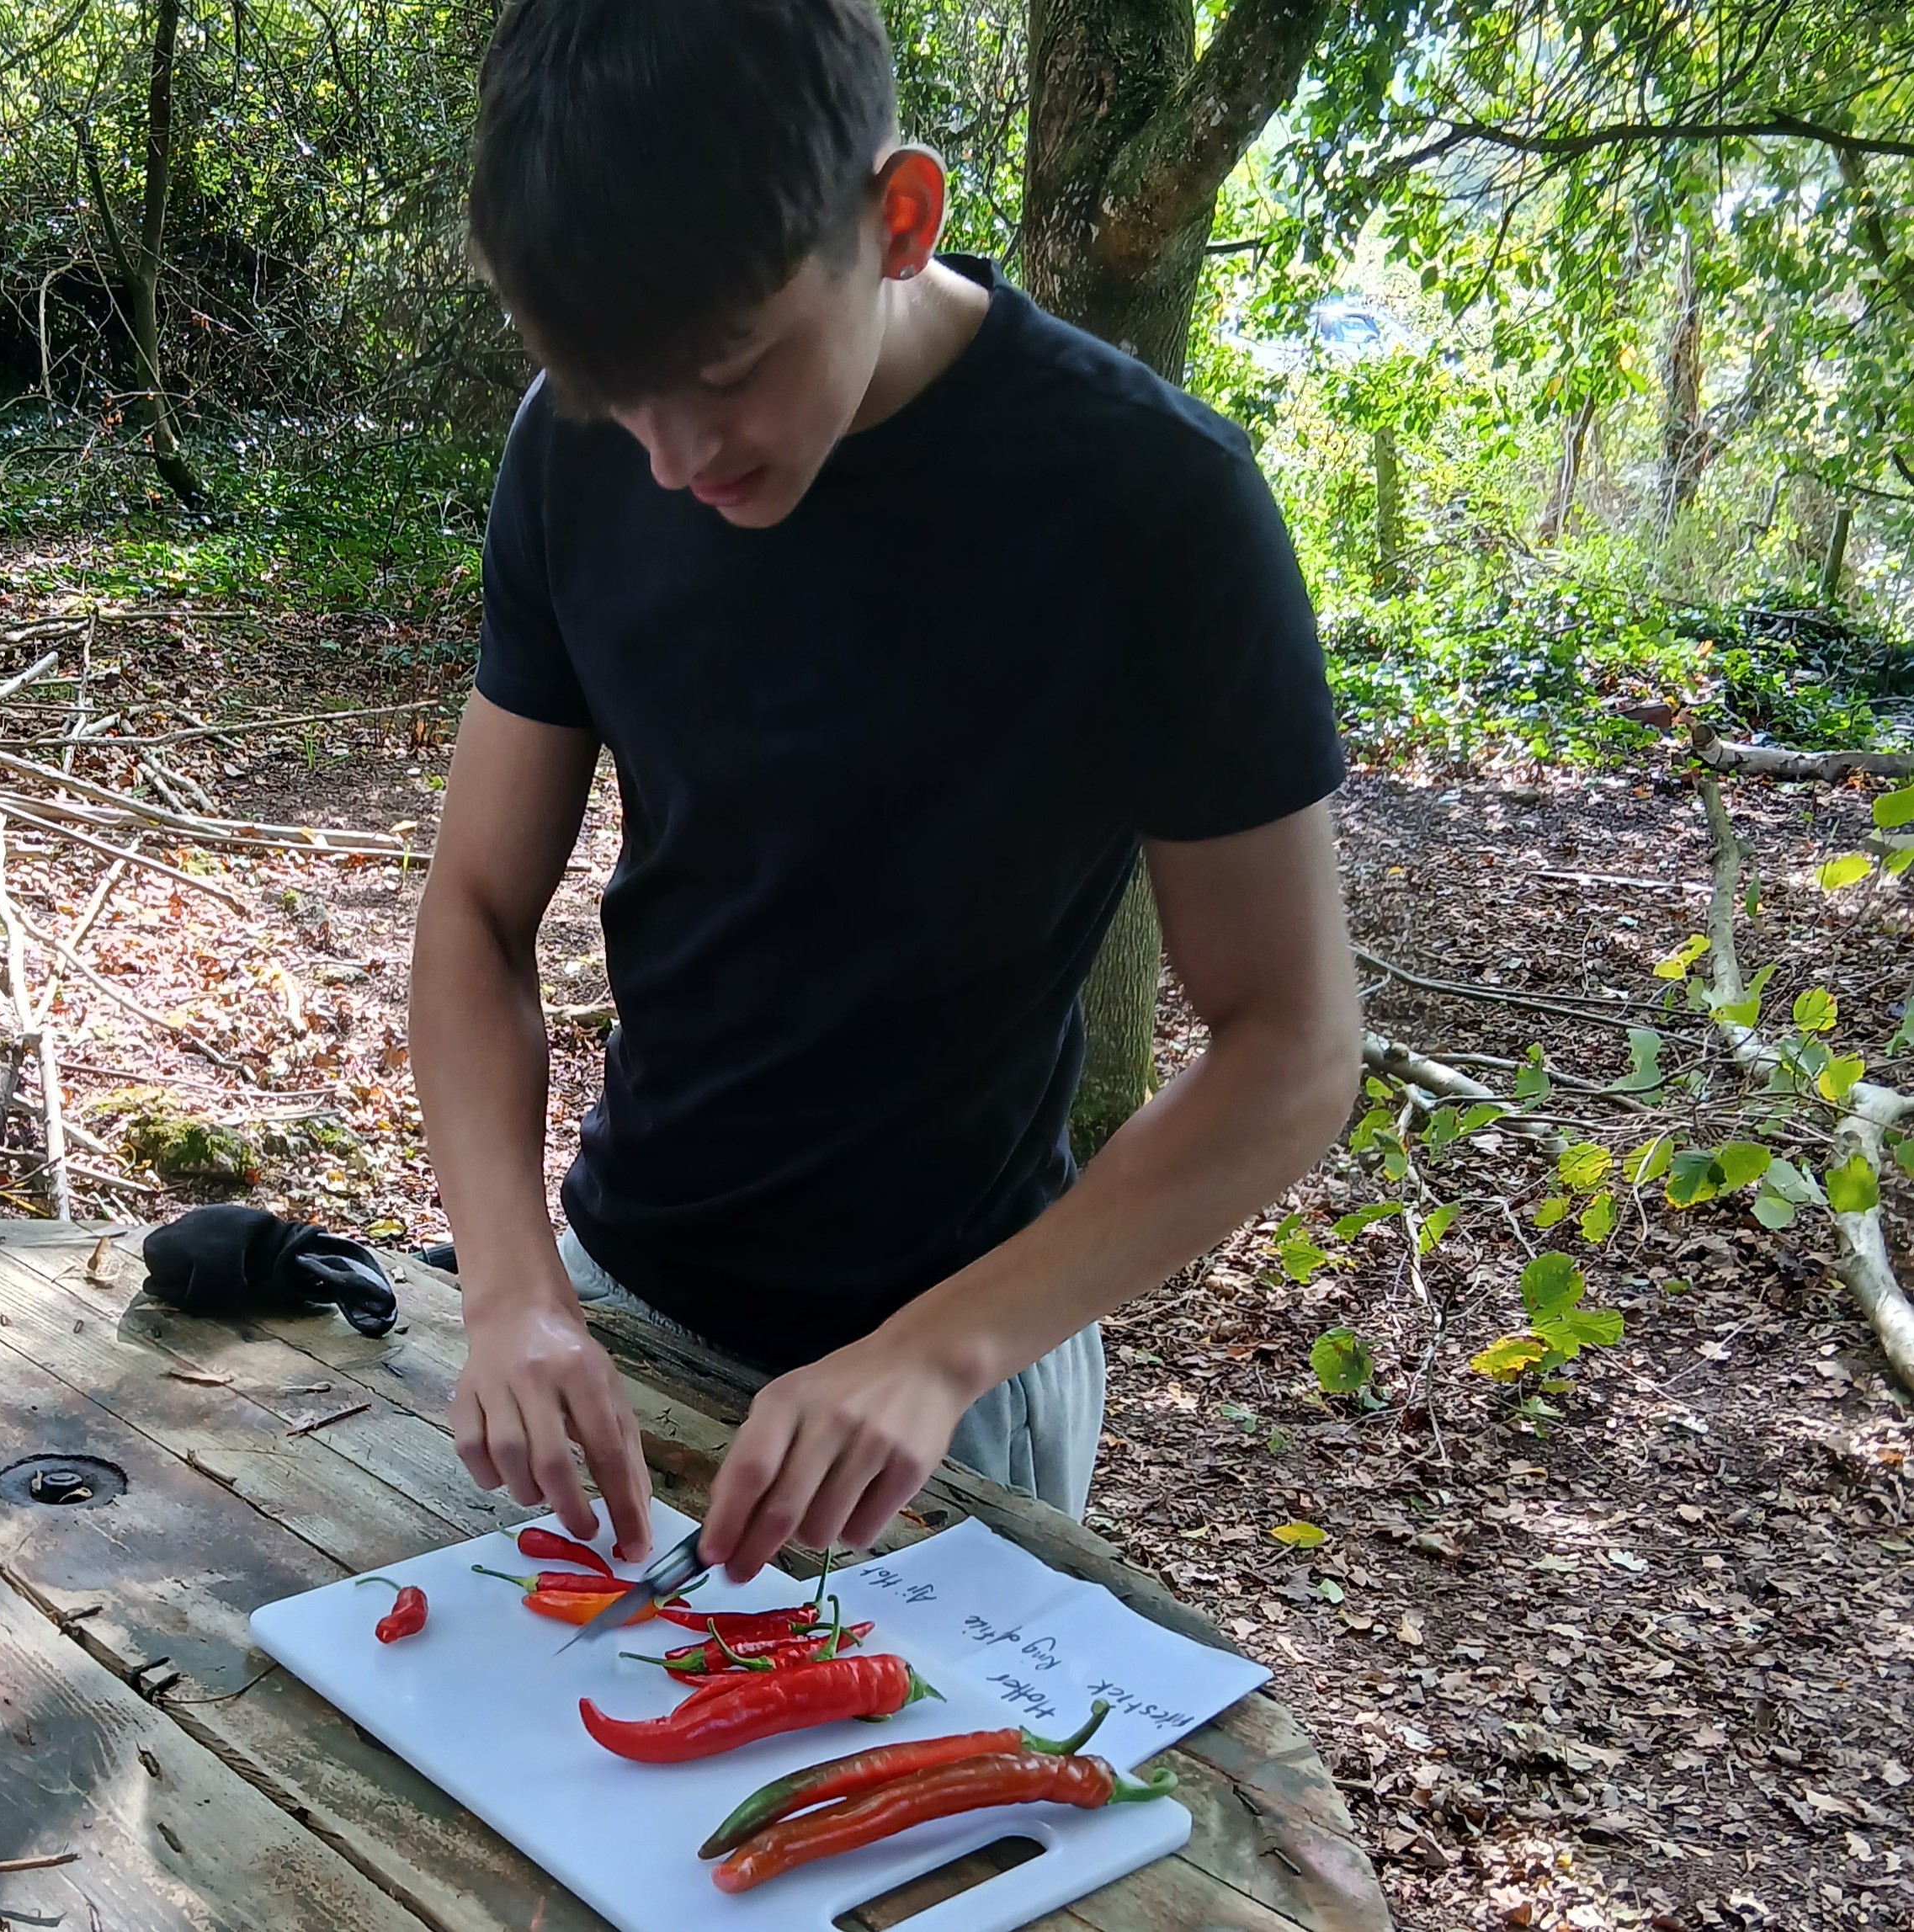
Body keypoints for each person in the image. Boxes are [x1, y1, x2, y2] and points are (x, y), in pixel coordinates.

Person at [408, 0, 1361, 1583]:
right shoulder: (573, 454)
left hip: (959, 1370)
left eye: (726, 372)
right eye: (611, 393)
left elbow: (1294, 1048)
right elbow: (479, 904)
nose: (672, 457)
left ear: (898, 217)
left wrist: (938, 1352)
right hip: (622, 1292)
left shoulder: (1158, 510)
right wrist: (511, 1287)